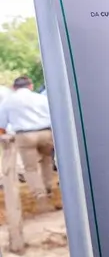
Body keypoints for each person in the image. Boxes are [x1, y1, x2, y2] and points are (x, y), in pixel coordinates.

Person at [0, 76, 56, 212]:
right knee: (47, 161)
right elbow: (52, 114)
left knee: (30, 168)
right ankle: (48, 189)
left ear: (14, 88)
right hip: (45, 132)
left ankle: (40, 195)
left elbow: (2, 124)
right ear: (30, 86)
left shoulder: (8, 101)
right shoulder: (40, 98)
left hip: (24, 135)